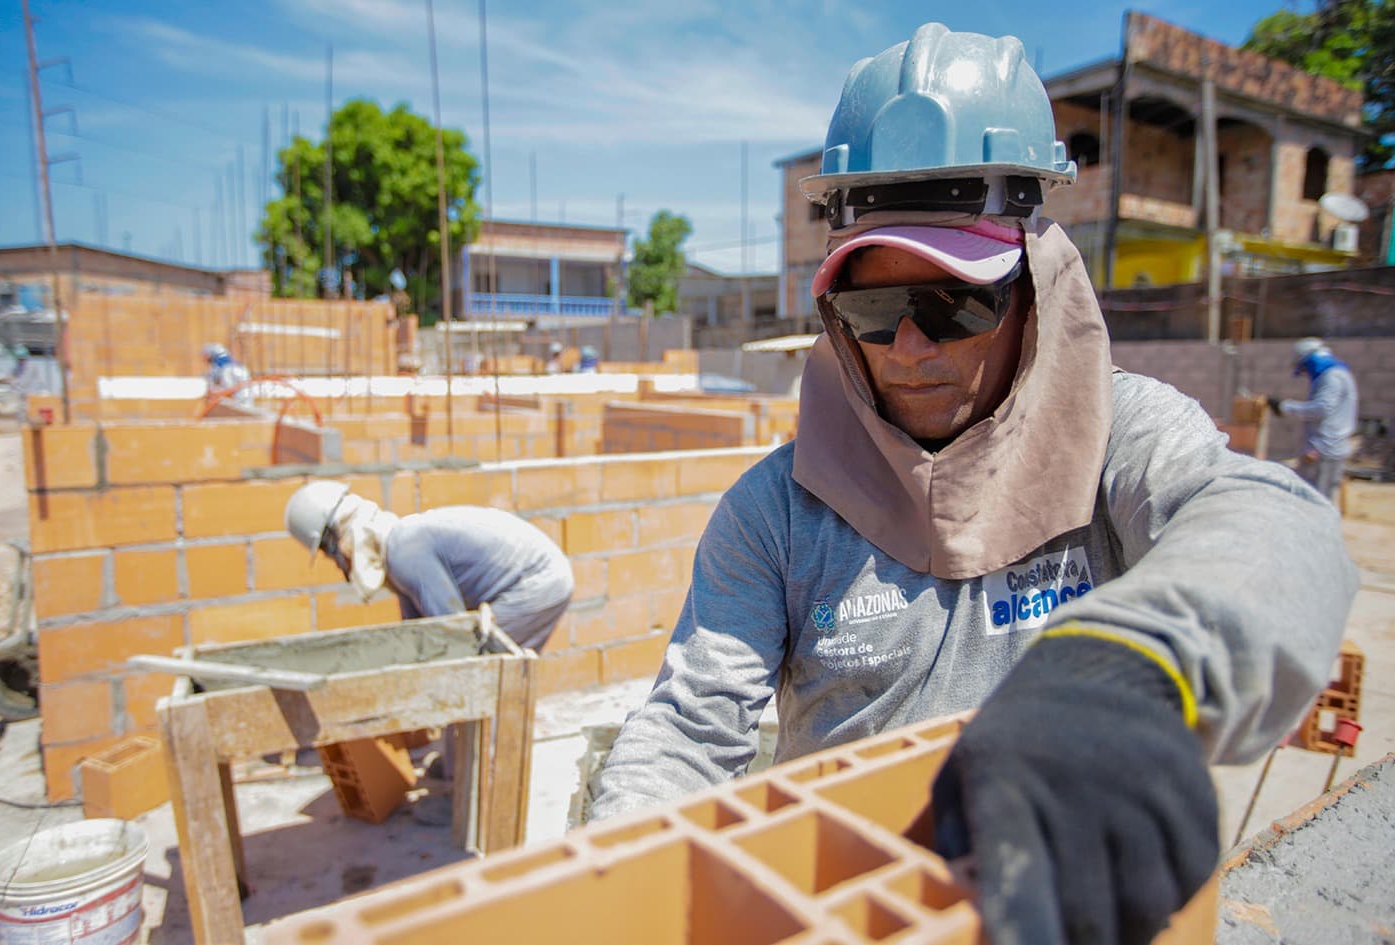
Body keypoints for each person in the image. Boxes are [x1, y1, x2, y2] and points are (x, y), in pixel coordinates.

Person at [592, 23, 1356, 945]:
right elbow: (687, 728)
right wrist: (606, 880)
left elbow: (1276, 527)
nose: (908, 350)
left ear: (1034, 291)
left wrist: (1135, 663)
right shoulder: (776, 512)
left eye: (955, 303)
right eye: (874, 311)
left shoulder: (1119, 440)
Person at [284, 481, 573, 651]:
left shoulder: (403, 552)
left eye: (329, 554)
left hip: (537, 582)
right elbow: (418, 632)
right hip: (538, 577)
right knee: (473, 663)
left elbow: (450, 630)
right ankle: (470, 751)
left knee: (477, 661)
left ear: (338, 540)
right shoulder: (397, 550)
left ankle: (487, 753)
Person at [1267, 337, 1358, 502]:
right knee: (1320, 498)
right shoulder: (1338, 374)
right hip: (1328, 447)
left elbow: (1322, 409)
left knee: (1317, 500)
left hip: (1325, 448)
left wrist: (1285, 407)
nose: (1306, 374)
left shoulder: (1332, 377)